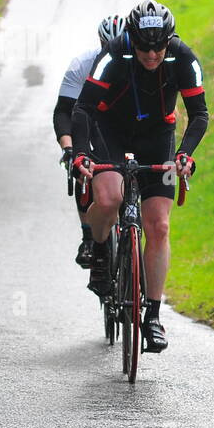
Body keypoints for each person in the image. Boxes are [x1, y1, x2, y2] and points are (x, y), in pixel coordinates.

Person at [71, 0, 209, 353]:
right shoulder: (115, 54)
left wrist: (184, 155)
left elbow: (199, 114)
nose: (152, 54)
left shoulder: (183, 57)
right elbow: (84, 108)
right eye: (145, 46)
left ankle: (153, 315)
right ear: (132, 38)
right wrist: (83, 153)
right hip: (110, 132)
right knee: (109, 197)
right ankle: (100, 249)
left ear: (169, 39)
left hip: (157, 136)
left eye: (159, 45)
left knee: (159, 226)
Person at [54, 15, 126, 269]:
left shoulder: (138, 63)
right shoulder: (82, 64)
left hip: (124, 124)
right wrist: (69, 148)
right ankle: (89, 236)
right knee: (83, 167)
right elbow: (64, 111)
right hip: (91, 122)